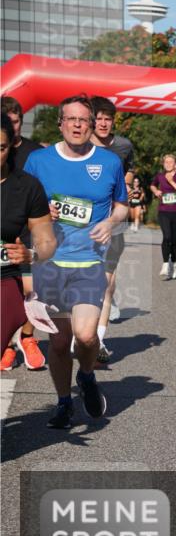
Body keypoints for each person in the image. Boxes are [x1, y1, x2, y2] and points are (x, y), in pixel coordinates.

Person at [23, 95, 128, 429]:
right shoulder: (38, 161)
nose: (78, 125)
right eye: (71, 119)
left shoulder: (109, 162)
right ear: (60, 123)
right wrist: (40, 213)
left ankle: (85, 375)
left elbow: (122, 205)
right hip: (49, 265)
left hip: (89, 263)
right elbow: (19, 204)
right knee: (57, 342)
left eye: (84, 119)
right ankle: (64, 402)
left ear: (92, 124)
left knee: (85, 336)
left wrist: (111, 223)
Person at [1, 114, 56, 359]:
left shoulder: (28, 187)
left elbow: (47, 242)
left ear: (11, 146)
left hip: (6, 280)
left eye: (0, 148)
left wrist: (30, 254)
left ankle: (23, 338)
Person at [90, 96, 136, 364]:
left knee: (106, 284)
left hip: (113, 222)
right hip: (82, 225)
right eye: (99, 118)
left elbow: (128, 171)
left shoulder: (123, 146)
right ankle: (77, 334)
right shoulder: (80, 144)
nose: (104, 123)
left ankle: (98, 340)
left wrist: (125, 186)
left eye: (108, 119)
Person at [150, 153, 176, 280]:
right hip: (164, 211)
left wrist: (171, 181)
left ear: (175, 164)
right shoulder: (160, 176)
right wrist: (156, 191)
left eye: (171, 162)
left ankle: (173, 264)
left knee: (174, 240)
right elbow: (152, 185)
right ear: (163, 164)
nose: (168, 164)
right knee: (167, 237)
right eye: (166, 162)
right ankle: (165, 264)